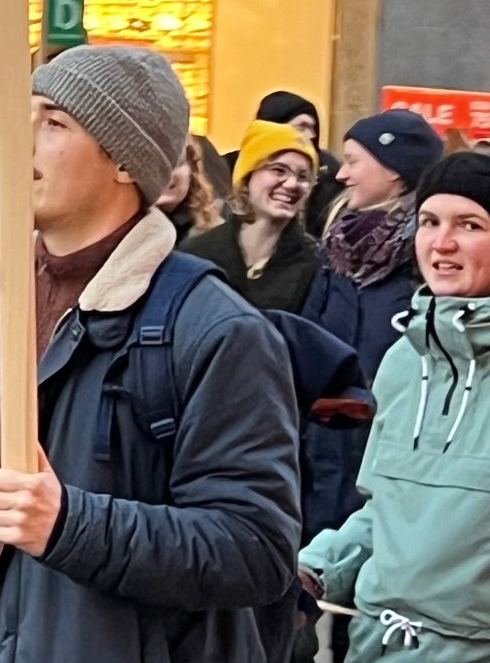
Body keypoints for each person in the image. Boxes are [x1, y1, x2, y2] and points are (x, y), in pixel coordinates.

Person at [0, 44, 302, 663]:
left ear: (124, 159)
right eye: (23, 116)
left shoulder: (216, 331)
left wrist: (70, 525)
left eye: (54, 123)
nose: (20, 141)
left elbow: (255, 549)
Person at [299, 152, 490, 663]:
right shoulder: (404, 359)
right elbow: (385, 510)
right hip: (375, 644)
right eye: (429, 222)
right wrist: (314, 568)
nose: (442, 243)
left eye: (469, 225)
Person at [297, 109, 442, 545]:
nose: (341, 175)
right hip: (321, 455)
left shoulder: (430, 261)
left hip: (387, 462)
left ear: (394, 172)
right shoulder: (334, 248)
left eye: (354, 161)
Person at [182, 121, 321, 312]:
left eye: (303, 177)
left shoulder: (317, 264)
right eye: (279, 170)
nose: (292, 184)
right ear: (248, 177)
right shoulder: (197, 253)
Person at [256, 90, 345, 236]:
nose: (311, 135)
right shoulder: (230, 165)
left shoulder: (329, 172)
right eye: (302, 126)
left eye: (313, 128)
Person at [156, 137, 224, 243]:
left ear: (192, 168)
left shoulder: (213, 235)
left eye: (177, 163)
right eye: (155, 165)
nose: (166, 174)